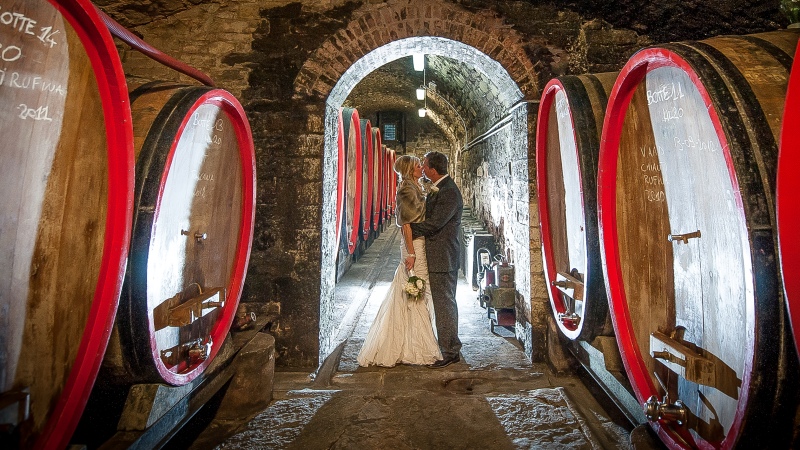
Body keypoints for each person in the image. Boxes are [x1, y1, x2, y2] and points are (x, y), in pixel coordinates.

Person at [357, 155, 442, 367]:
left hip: (418, 244)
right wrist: (411, 254)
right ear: (408, 170)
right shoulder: (406, 190)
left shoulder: (415, 187)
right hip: (414, 246)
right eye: (417, 166)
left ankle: (409, 342)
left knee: (414, 292)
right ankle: (417, 347)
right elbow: (406, 225)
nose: (421, 168)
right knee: (416, 291)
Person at [410, 151, 463, 368]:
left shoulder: (449, 191)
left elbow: (435, 223)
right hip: (438, 254)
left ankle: (451, 351)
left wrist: (408, 228)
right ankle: (447, 345)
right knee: (442, 302)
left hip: (443, 256)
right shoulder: (440, 188)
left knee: (444, 303)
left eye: (424, 164)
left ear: (433, 169)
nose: (422, 168)